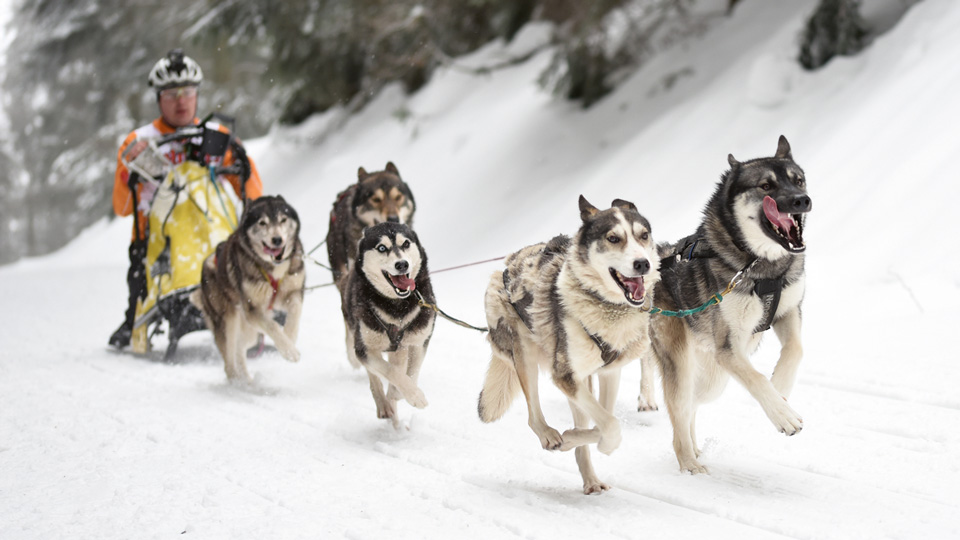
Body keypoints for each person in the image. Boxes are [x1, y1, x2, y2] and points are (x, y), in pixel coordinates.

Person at [108, 49, 263, 348]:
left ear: (197, 94)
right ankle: (134, 320)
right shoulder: (138, 141)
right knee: (141, 277)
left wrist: (241, 161)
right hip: (156, 240)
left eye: (188, 92)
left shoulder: (217, 135)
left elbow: (252, 192)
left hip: (215, 230)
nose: (181, 100)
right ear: (158, 98)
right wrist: (129, 169)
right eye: (171, 94)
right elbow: (122, 207)